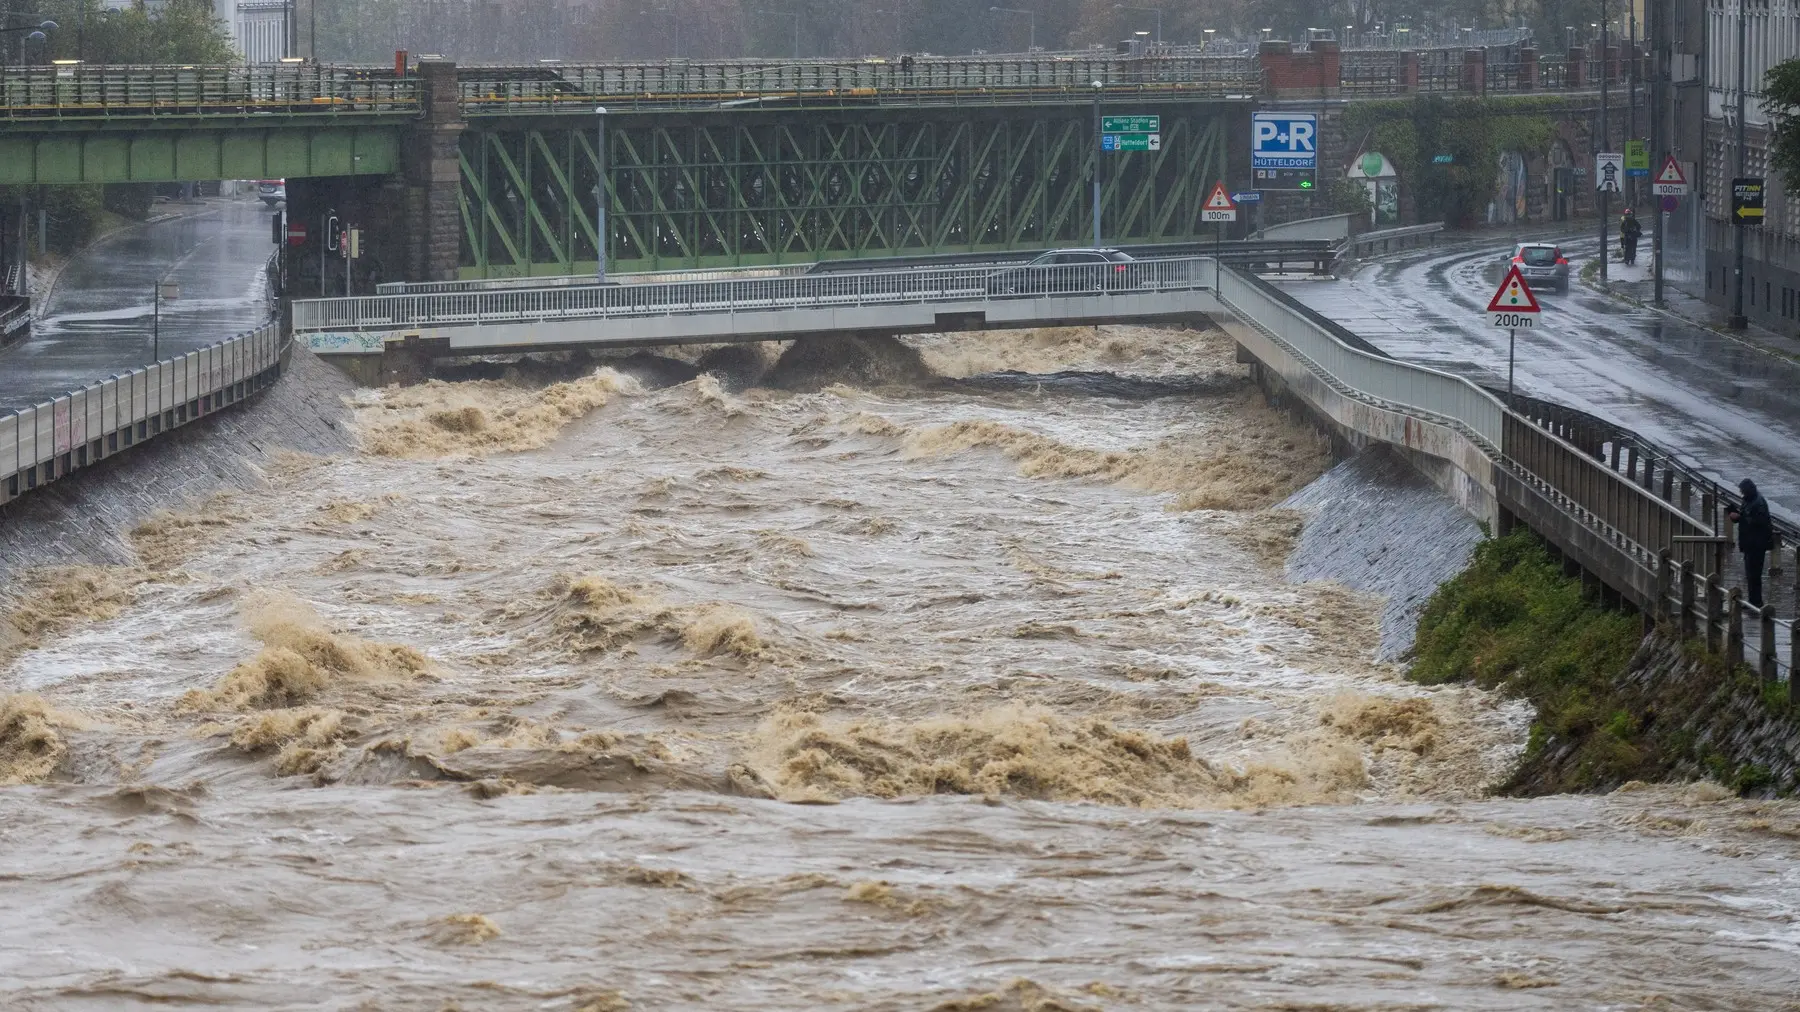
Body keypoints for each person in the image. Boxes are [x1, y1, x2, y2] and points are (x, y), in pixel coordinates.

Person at [1726, 478, 1774, 609]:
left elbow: (1758, 522)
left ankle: (1756, 601)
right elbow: (1747, 517)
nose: (1742, 494)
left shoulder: (1758, 503)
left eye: (1743, 491)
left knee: (1754, 573)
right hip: (1750, 543)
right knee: (1750, 573)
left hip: (1756, 544)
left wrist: (1739, 517)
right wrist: (1735, 514)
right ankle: (1753, 600)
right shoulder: (1750, 500)